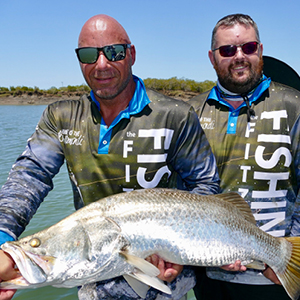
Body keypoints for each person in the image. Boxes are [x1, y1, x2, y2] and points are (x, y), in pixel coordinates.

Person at [0, 14, 220, 300]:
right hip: (93, 282)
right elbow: (29, 177)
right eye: (89, 55)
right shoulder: (61, 117)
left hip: (167, 284)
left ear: (131, 54)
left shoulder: (175, 115)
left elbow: (205, 189)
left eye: (114, 52)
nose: (101, 65)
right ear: (79, 60)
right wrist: (3, 238)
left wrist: (178, 251)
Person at [189, 13, 300, 300]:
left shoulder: (294, 106)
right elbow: (181, 192)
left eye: (248, 48)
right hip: (210, 275)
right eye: (227, 50)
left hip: (277, 277)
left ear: (260, 51)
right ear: (213, 58)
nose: (239, 56)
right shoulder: (189, 113)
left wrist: (287, 259)